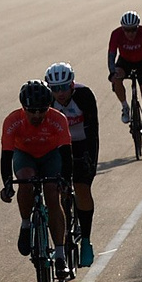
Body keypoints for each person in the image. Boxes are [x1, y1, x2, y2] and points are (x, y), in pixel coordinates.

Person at [0, 79, 73, 259]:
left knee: (52, 195)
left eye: (42, 110)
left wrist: (65, 180)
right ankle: (26, 224)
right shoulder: (12, 120)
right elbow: (6, 156)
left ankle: (60, 255)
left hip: (50, 155)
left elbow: (66, 154)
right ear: (23, 108)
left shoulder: (58, 119)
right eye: (32, 110)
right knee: (25, 180)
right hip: (25, 154)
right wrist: (7, 183)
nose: (37, 115)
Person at [43, 62, 101, 265]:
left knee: (82, 188)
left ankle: (85, 239)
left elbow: (92, 131)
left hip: (83, 144)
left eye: (64, 87)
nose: (60, 93)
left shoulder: (84, 95)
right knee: (57, 189)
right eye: (55, 88)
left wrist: (89, 160)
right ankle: (61, 237)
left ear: (72, 85)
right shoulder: (47, 99)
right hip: (59, 146)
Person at [108, 10, 142, 145]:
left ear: (138, 27)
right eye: (127, 30)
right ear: (122, 28)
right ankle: (125, 106)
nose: (130, 33)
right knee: (117, 78)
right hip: (125, 61)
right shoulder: (116, 34)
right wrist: (112, 73)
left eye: (133, 30)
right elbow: (111, 55)